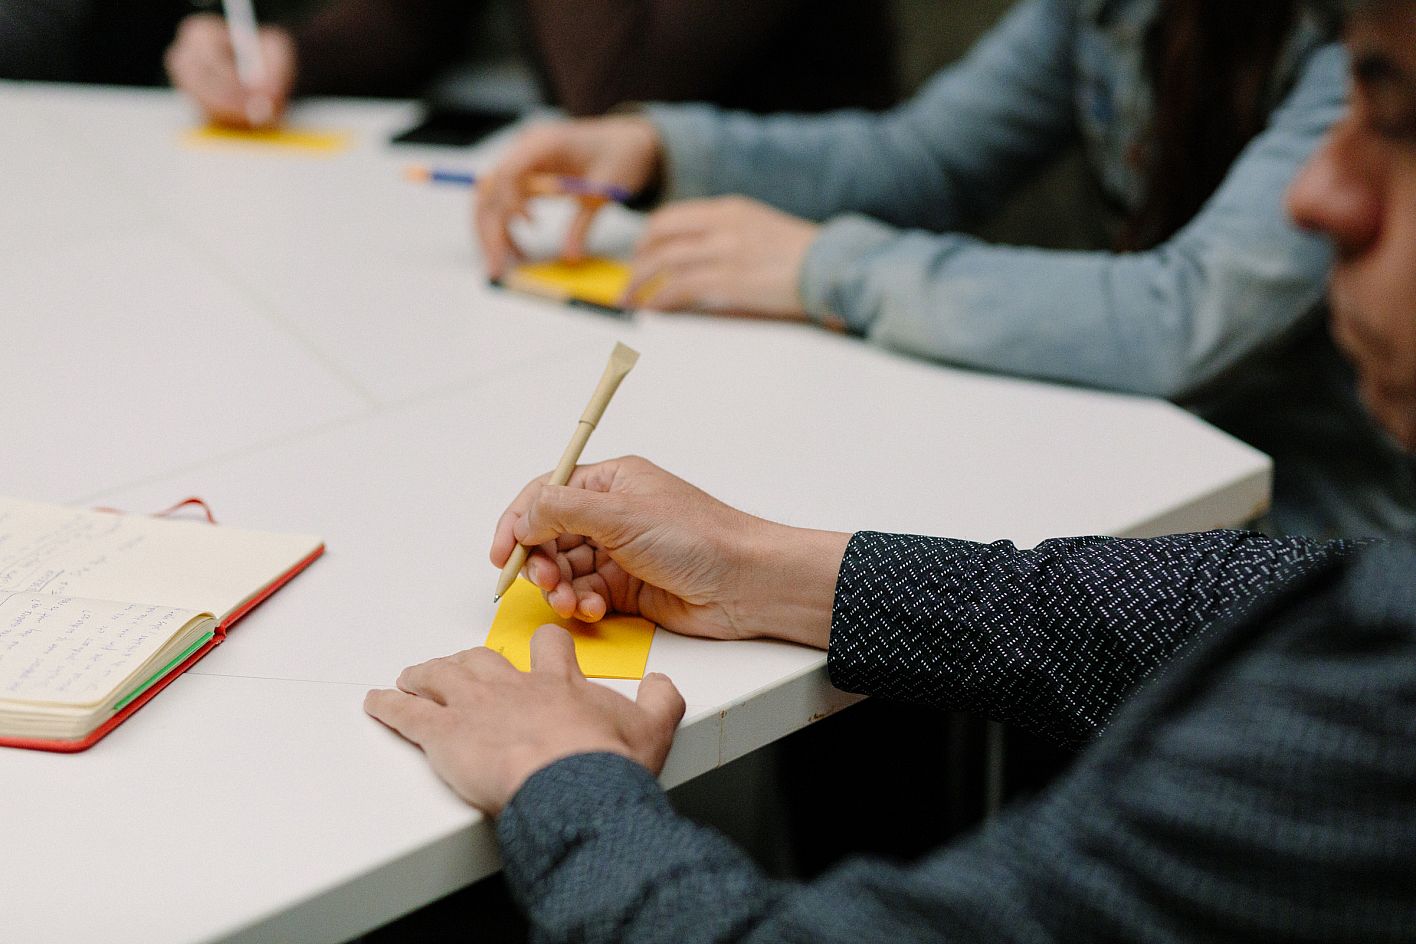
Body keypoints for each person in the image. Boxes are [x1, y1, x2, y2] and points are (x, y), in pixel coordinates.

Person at [365, 0, 1416, 938]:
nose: (1314, 196)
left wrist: (561, 780)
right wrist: (763, 566)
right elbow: (1221, 596)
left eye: (1393, 117)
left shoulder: (1356, 717)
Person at [473, 0, 1416, 540]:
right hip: (1137, 460)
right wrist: (662, 147)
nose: (1318, 198)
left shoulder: (1367, 38)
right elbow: (925, 157)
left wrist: (829, 268)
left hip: (1328, 520)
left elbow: (1183, 316)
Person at [162, 0, 897, 130]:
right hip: (607, 218)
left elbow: (616, 87)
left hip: (794, 227)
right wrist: (287, 54)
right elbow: (413, 19)